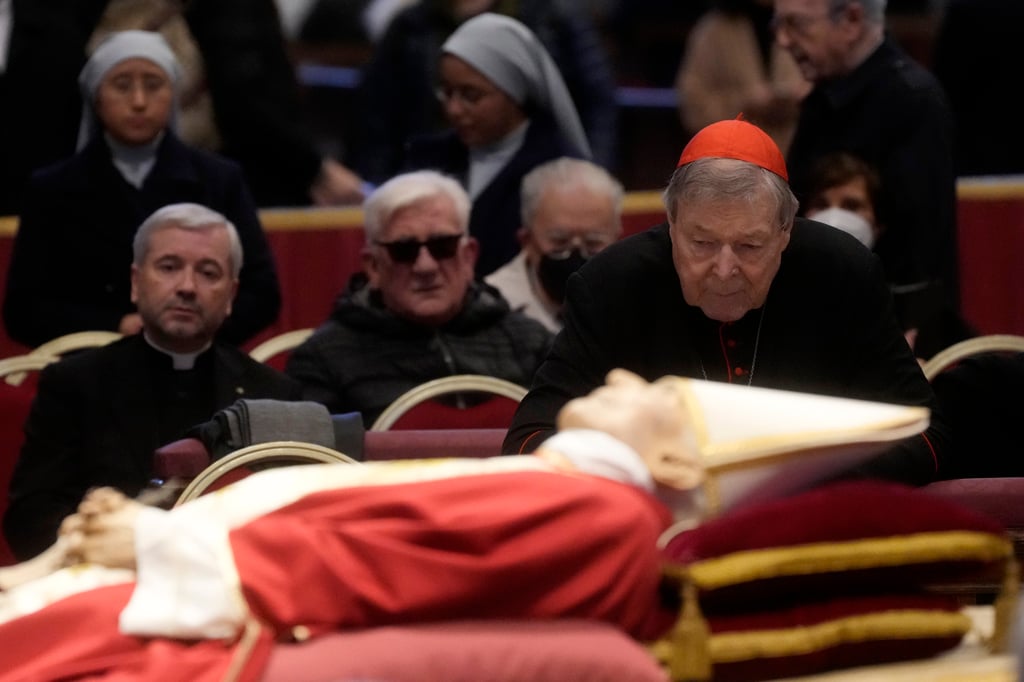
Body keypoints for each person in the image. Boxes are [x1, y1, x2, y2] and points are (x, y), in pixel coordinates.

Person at [0, 367, 926, 681]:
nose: (622, 376)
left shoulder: (596, 508)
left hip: (223, 607)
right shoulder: (582, 490)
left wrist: (159, 543)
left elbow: (394, 557)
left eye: (655, 391)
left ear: (678, 466)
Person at [503, 117, 950, 487]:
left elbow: (928, 435)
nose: (723, 269)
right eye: (701, 243)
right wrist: (647, 472)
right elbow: (529, 441)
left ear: (785, 232)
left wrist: (803, 475)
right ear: (672, 224)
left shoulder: (842, 274)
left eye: (750, 246)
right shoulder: (611, 286)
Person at [2, 202, 302, 562]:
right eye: (169, 267)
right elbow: (30, 519)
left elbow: (293, 520)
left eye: (208, 272)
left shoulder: (273, 393)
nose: (187, 287)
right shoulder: (75, 384)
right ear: (135, 282)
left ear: (231, 296)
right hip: (106, 577)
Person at [2, 30, 281, 349]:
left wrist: (188, 329)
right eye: (122, 86)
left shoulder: (219, 179)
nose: (138, 102)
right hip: (91, 363)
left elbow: (261, 293)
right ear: (96, 96)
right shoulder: (53, 189)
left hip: (198, 359)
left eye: (153, 85)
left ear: (173, 95)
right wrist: (115, 326)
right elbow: (24, 311)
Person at [284, 169, 553, 427]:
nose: (425, 266)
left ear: (468, 257)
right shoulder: (322, 361)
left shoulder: (532, 344)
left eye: (442, 246)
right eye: (404, 250)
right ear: (373, 266)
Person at [774, 0, 959, 335]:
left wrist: (911, 330)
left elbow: (924, 247)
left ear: (851, 20)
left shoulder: (912, 101)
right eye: (778, 25)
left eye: (796, 24)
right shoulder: (822, 97)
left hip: (896, 333)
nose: (783, 40)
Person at [402, 11, 593, 277]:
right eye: (446, 92)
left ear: (515, 92)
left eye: (471, 95)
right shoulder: (427, 160)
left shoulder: (560, 173)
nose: (454, 109)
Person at [354, 0, 618, 186]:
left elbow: (597, 103)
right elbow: (376, 120)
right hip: (435, 180)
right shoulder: (410, 25)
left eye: (471, 95)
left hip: (540, 175)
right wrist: (384, 188)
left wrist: (590, 173)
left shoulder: (553, 14)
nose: (454, 108)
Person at [803, 151, 976, 359]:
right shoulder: (780, 297)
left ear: (877, 225)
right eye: (821, 205)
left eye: (851, 206)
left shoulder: (916, 310)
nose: (834, 217)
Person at [485, 156, 624, 333]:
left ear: (617, 240)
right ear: (526, 240)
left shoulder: (643, 301)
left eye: (593, 242)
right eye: (560, 241)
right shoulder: (490, 308)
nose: (576, 254)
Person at [674, 0, 810, 154]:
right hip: (733, 156)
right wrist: (744, 103)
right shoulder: (714, 30)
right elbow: (692, 103)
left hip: (798, 153)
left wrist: (802, 98)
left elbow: (823, 82)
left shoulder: (808, 21)